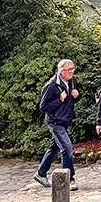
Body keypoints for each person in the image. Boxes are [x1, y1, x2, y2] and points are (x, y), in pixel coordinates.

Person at [33, 59, 80, 191]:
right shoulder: (51, 85)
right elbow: (44, 107)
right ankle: (69, 179)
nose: (72, 72)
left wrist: (76, 96)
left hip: (65, 120)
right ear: (61, 71)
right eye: (70, 70)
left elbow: (73, 99)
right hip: (55, 122)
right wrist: (60, 99)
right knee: (67, 148)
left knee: (54, 148)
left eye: (73, 69)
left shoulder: (72, 81)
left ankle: (41, 173)